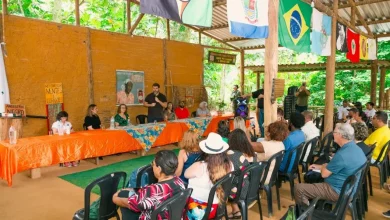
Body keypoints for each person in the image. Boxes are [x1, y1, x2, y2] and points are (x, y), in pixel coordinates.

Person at [294, 123, 366, 206]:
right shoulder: (356, 148)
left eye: (334, 132)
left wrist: (324, 166)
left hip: (337, 191)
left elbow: (324, 174)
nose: (333, 134)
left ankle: (305, 214)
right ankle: (313, 207)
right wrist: (321, 166)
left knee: (299, 189)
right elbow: (338, 166)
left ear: (340, 135)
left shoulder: (342, 154)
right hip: (349, 189)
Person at [113, 150, 185, 220]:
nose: (152, 166)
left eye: (153, 164)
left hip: (154, 216)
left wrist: (115, 198)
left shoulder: (152, 191)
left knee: (123, 195)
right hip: (170, 215)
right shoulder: (179, 182)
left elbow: (131, 204)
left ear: (159, 169)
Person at [185, 132, 233, 220]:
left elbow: (185, 174)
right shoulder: (229, 165)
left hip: (199, 210)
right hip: (219, 207)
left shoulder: (199, 166)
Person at [227, 129, 257, 219]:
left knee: (223, 182)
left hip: (240, 191)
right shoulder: (252, 153)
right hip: (252, 188)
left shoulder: (231, 154)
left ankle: (228, 211)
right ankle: (235, 211)